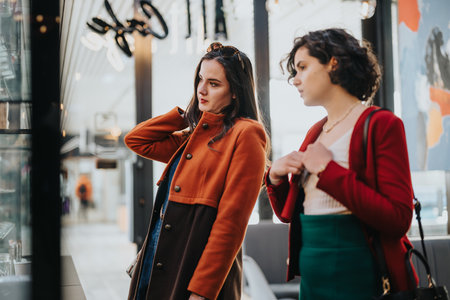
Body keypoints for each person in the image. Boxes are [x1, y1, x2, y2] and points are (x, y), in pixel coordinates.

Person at [266, 28, 417, 299]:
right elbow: (290, 214)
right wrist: (275, 178)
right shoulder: (315, 132)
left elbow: (398, 219)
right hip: (312, 272)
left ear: (333, 63)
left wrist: (327, 170)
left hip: (358, 269)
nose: (295, 80)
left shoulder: (382, 124)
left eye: (302, 67)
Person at [124, 42, 268, 300]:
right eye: (200, 79)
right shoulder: (194, 136)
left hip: (194, 264)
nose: (202, 89)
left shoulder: (246, 134)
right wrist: (185, 114)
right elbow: (136, 140)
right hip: (159, 257)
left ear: (235, 91)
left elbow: (231, 224)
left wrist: (202, 291)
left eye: (214, 84)